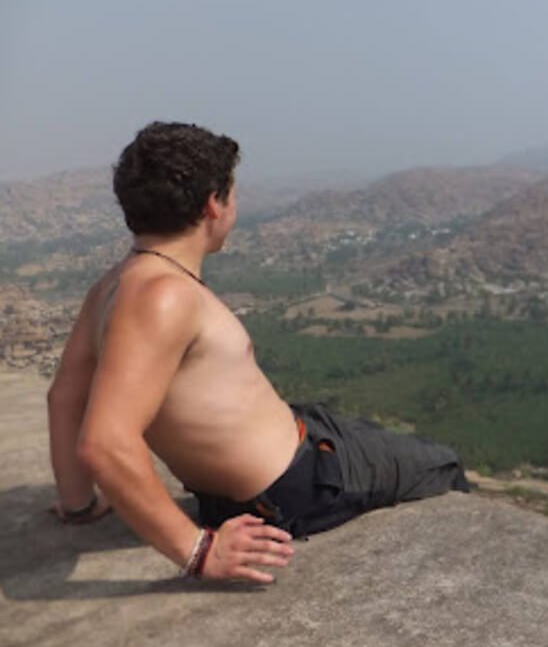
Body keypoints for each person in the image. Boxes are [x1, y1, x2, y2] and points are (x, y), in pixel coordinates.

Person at [47, 121, 468, 583]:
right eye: (232, 193)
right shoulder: (163, 296)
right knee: (439, 461)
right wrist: (198, 552)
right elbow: (105, 441)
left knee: (358, 430)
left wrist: (79, 504)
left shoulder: (111, 286)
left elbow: (64, 398)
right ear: (213, 204)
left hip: (258, 473)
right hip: (294, 488)